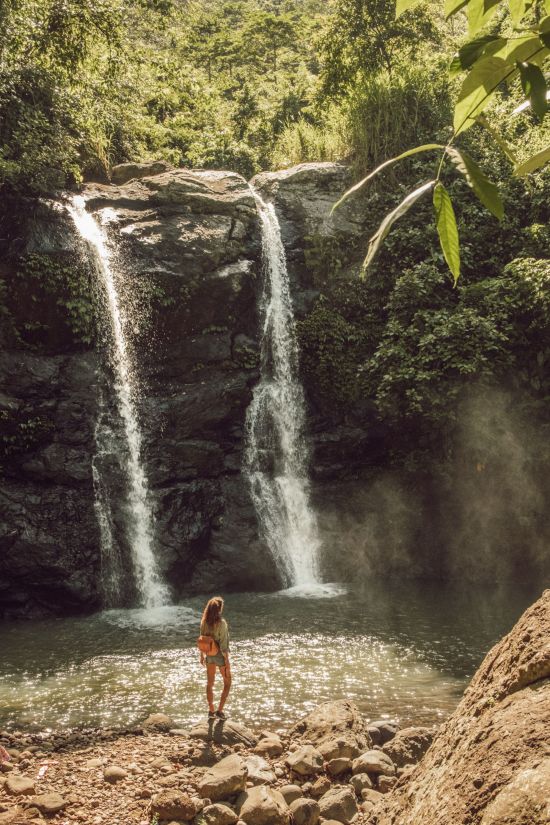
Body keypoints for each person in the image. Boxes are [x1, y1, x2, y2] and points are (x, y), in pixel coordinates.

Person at [200, 596, 231, 720]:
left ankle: (211, 710)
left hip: (208, 655)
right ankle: (220, 711)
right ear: (218, 610)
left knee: (210, 683)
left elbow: (201, 639)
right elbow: (223, 646)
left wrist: (201, 655)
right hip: (220, 656)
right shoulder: (221, 623)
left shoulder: (204, 622)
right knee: (228, 682)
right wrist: (227, 662)